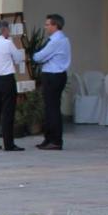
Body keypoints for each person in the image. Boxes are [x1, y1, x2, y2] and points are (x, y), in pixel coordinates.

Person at [0, 20, 25, 152]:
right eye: (8, 29)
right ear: (3, 31)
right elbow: (19, 58)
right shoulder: (7, 43)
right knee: (8, 112)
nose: (9, 32)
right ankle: (9, 144)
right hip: (7, 80)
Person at [31, 13, 71, 150]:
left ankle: (55, 140)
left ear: (55, 25)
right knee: (49, 108)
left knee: (52, 109)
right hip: (53, 75)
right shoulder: (58, 39)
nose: (45, 27)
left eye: (48, 24)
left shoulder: (56, 41)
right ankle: (48, 139)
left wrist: (33, 55)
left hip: (54, 76)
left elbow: (39, 57)